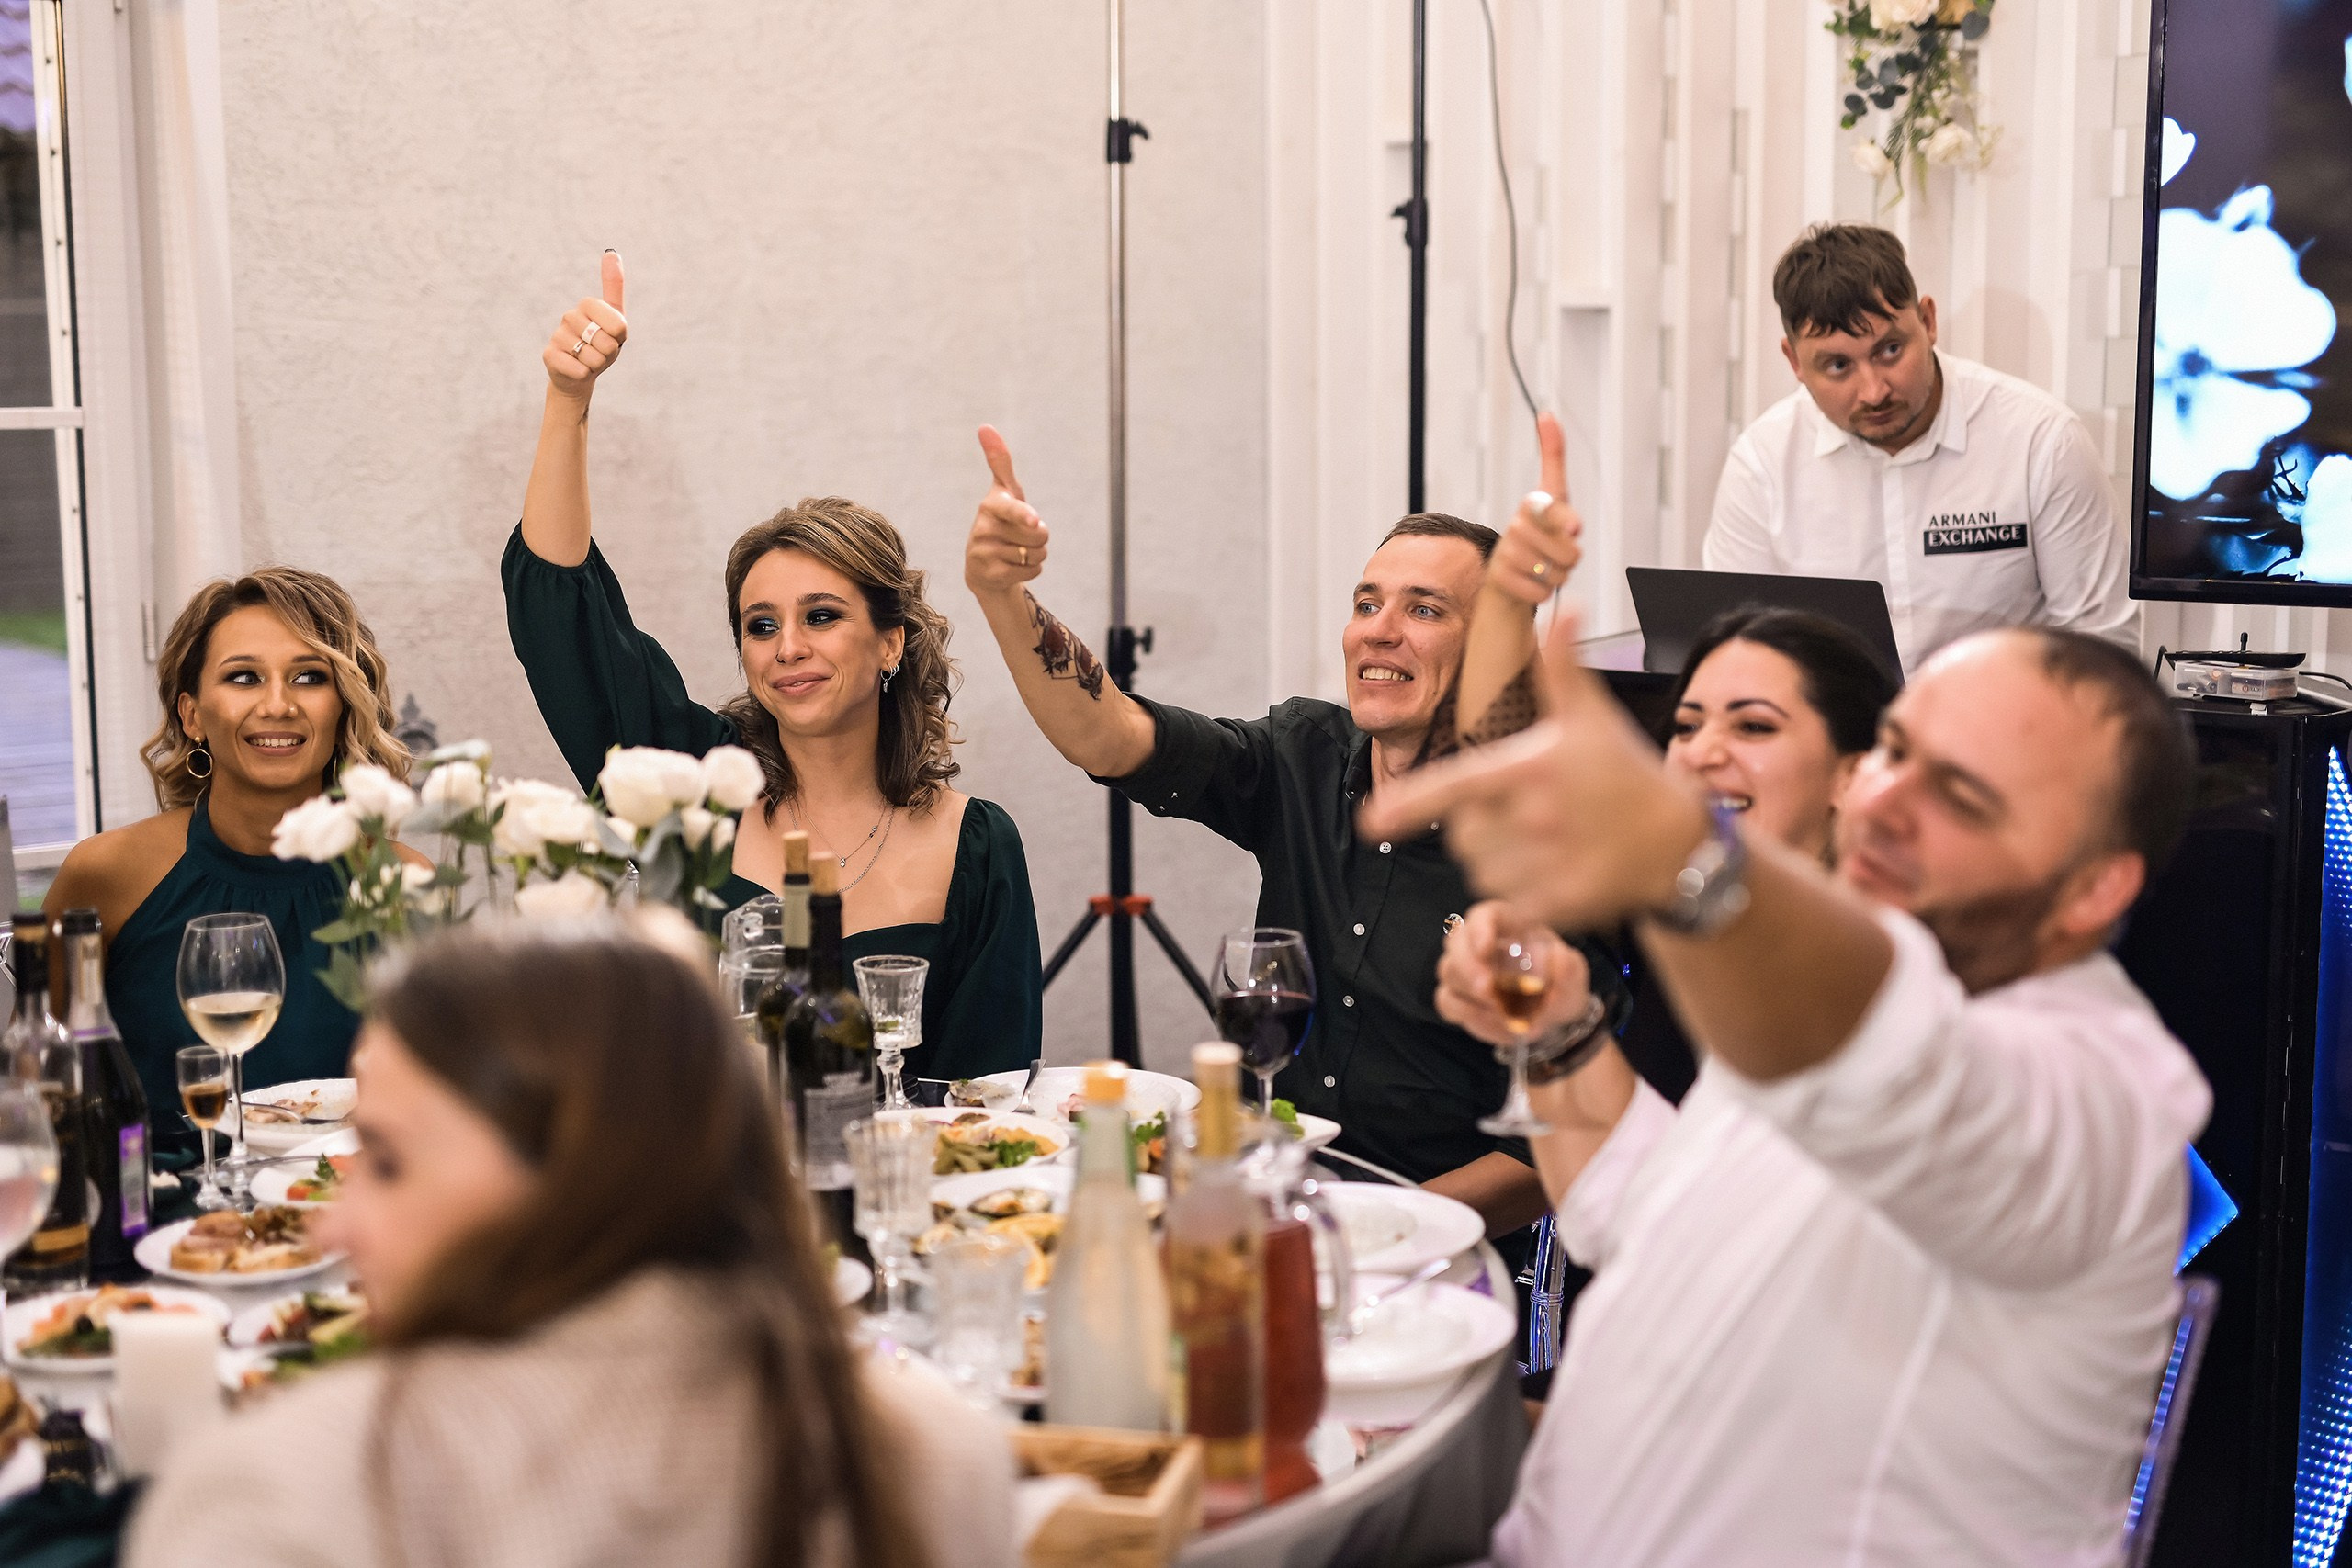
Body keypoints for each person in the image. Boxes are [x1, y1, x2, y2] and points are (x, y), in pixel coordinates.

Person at [1364, 623, 2209, 1563]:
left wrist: (1677, 854)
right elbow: (1644, 1214)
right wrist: (1557, 1034)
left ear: (2092, 890)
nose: (1885, 801)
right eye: (1895, 752)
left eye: (1961, 796)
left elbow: (1889, 1071)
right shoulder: (1815, 1012)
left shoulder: (2105, 1096)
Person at [127, 912, 1016, 1568]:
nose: (334, 1221)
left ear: (587, 1168)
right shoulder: (939, 1456)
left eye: (388, 1159)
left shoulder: (278, 1501)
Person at [961, 426, 1623, 1250]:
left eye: (1424, 609)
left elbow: (1564, 1144)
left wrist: (1369, 1228)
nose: (1378, 630)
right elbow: (1111, 733)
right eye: (1365, 602)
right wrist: (1003, 595)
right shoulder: (1301, 756)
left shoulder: (1553, 840)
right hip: (1270, 1213)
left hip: (1449, 1251)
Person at [501, 254, 1040, 1077]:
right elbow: (561, 624)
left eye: (821, 616)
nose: (786, 647)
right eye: (761, 624)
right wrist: (568, 403)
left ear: (891, 640)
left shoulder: (978, 846)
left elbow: (988, 1098)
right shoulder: (694, 787)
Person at [42, 568, 421, 1149]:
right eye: (244, 677)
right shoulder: (107, 874)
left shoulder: (403, 882)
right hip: (160, 1222)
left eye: (309, 677)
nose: (278, 704)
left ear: (342, 706)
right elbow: (43, 1078)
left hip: (340, 1215)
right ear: (192, 714)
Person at [1703, 223, 2135, 670]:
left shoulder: (2040, 441)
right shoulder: (1762, 463)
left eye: (1890, 350)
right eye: (1837, 366)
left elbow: (2103, 652)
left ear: (1928, 321)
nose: (1873, 391)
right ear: (1794, 362)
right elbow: (1734, 657)